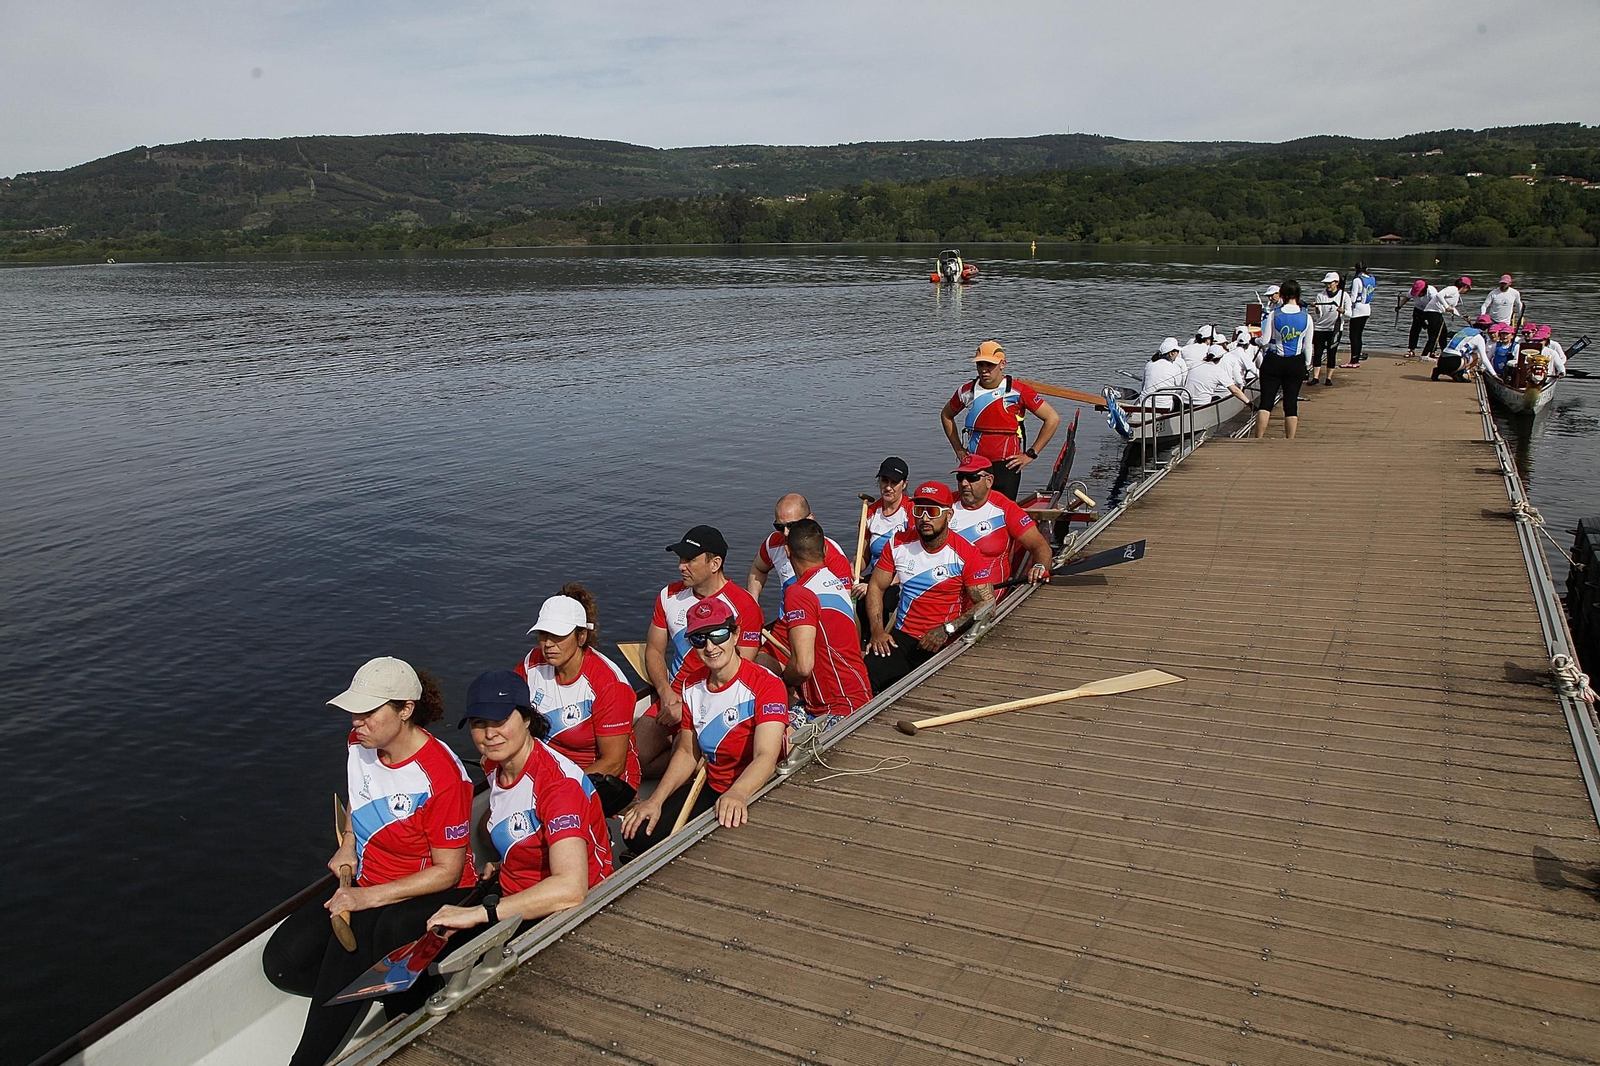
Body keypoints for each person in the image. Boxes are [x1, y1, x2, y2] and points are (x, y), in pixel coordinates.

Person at [263, 657, 476, 1066]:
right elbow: (358, 812)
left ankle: (315, 1047)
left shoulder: (443, 776)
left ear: (405, 710)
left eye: (368, 712)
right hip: (366, 881)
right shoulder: (358, 745)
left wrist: (366, 899)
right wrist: (347, 844)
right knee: (281, 965)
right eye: (354, 712)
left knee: (371, 935)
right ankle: (385, 992)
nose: (356, 722)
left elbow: (447, 872)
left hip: (429, 890)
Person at [426, 669, 612, 934]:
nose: (489, 734)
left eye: (500, 720)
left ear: (526, 718)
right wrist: (509, 862)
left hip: (568, 912)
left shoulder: (558, 786)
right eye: (479, 723)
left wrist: (479, 914)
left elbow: (570, 888)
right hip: (513, 898)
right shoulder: (494, 764)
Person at [621, 598, 788, 853]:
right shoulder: (691, 685)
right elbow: (688, 753)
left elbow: (766, 756)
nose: (710, 646)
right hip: (714, 787)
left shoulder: (767, 685)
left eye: (718, 634)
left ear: (735, 635)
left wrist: (738, 794)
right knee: (638, 836)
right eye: (699, 639)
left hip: (757, 787)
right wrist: (656, 800)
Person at [637, 525, 762, 779]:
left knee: (682, 756)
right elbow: (653, 651)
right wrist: (666, 693)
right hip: (672, 698)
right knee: (635, 758)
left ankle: (688, 766)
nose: (681, 566)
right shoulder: (668, 596)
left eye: (689, 560)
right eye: (681, 559)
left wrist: (685, 708)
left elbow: (736, 674)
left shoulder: (744, 606)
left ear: (715, 563)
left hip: (713, 703)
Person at [863, 481, 997, 692]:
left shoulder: (967, 553)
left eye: (933, 511)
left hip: (945, 642)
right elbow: (876, 588)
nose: (925, 518)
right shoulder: (897, 543)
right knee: (866, 678)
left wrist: (947, 629)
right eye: (919, 511)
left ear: (949, 515)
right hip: (902, 637)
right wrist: (877, 631)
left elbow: (988, 603)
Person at [516, 588, 639, 816]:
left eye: (559, 635)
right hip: (548, 773)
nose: (548, 644)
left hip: (604, 781)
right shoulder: (531, 663)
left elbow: (613, 763)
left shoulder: (609, 684)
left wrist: (554, 790)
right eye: (543, 634)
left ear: (582, 637)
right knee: (486, 829)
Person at [940, 339, 1061, 501]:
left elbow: (1052, 419)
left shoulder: (1018, 391)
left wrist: (1031, 454)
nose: (984, 370)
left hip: (1007, 466)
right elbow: (946, 415)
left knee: (1002, 514)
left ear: (1002, 364)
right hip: (975, 464)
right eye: (980, 364)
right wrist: (959, 449)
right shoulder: (966, 391)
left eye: (990, 365)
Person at [779, 518, 872, 722]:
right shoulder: (836, 583)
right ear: (825, 550)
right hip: (860, 696)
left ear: (788, 553)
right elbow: (855, 633)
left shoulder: (799, 592)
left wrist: (784, 680)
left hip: (834, 710)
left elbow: (803, 667)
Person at [746, 493, 853, 651]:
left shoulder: (832, 555)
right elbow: (758, 569)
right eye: (780, 527)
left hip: (816, 631)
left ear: (810, 520)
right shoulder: (773, 543)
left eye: (792, 525)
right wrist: (753, 605)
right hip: (785, 627)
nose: (786, 533)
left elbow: (842, 610)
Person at [949, 455, 1053, 585]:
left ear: (989, 481)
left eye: (972, 478)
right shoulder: (945, 504)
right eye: (960, 477)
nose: (964, 483)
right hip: (945, 588)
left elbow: (1040, 546)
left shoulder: (1006, 509)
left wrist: (1040, 567)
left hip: (989, 590)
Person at [1253, 279, 1311, 440]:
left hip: (1274, 361)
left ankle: (1258, 440)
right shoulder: (1307, 318)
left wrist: (1254, 341)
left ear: (1282, 295)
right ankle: (1290, 441)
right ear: (1298, 295)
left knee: (1266, 403)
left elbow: (1264, 341)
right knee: (1291, 404)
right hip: (1296, 362)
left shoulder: (1274, 314)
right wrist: (1306, 365)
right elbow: (1308, 347)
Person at [1307, 271, 1350, 387]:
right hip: (1321, 328)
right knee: (1318, 353)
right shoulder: (1321, 295)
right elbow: (1319, 314)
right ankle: (1315, 377)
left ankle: (1328, 378)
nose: (1327, 285)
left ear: (1336, 283)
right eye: (1326, 283)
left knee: (1332, 353)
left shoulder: (1344, 295)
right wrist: (1316, 308)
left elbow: (1350, 313)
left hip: (1335, 329)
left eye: (1330, 283)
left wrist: (1343, 311)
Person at [1185, 344, 1253, 406]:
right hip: (1201, 403)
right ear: (1220, 358)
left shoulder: (1194, 364)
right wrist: (1249, 403)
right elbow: (1235, 390)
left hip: (1184, 400)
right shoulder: (1217, 371)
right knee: (1217, 397)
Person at [1422, 276, 1472, 358]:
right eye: (1467, 289)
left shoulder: (1457, 295)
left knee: (1443, 333)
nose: (1466, 291)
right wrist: (1446, 307)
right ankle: (1425, 355)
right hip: (1432, 311)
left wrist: (1462, 317)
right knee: (1434, 334)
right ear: (1465, 286)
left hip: (1437, 313)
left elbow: (1452, 308)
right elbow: (1439, 295)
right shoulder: (1453, 289)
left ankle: (1444, 353)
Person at [1138, 337, 1188, 410]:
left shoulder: (1149, 364)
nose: (1178, 354)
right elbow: (1179, 389)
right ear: (1171, 353)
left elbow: (1143, 384)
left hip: (1145, 402)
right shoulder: (1175, 368)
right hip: (1164, 406)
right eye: (1177, 352)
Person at [1343, 262, 1375, 367]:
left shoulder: (1357, 280)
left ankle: (1353, 361)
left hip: (1358, 309)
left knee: (1353, 336)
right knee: (1359, 335)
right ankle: (1356, 358)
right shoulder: (1371, 278)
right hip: (1367, 308)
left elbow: (1353, 298)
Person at [1399, 279, 1434, 359]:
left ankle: (1431, 351)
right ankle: (1411, 349)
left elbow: (1437, 304)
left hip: (1431, 311)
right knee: (1414, 330)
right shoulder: (1412, 291)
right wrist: (1400, 306)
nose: (1417, 295)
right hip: (1418, 309)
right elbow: (1406, 298)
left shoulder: (1432, 292)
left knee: (1432, 331)